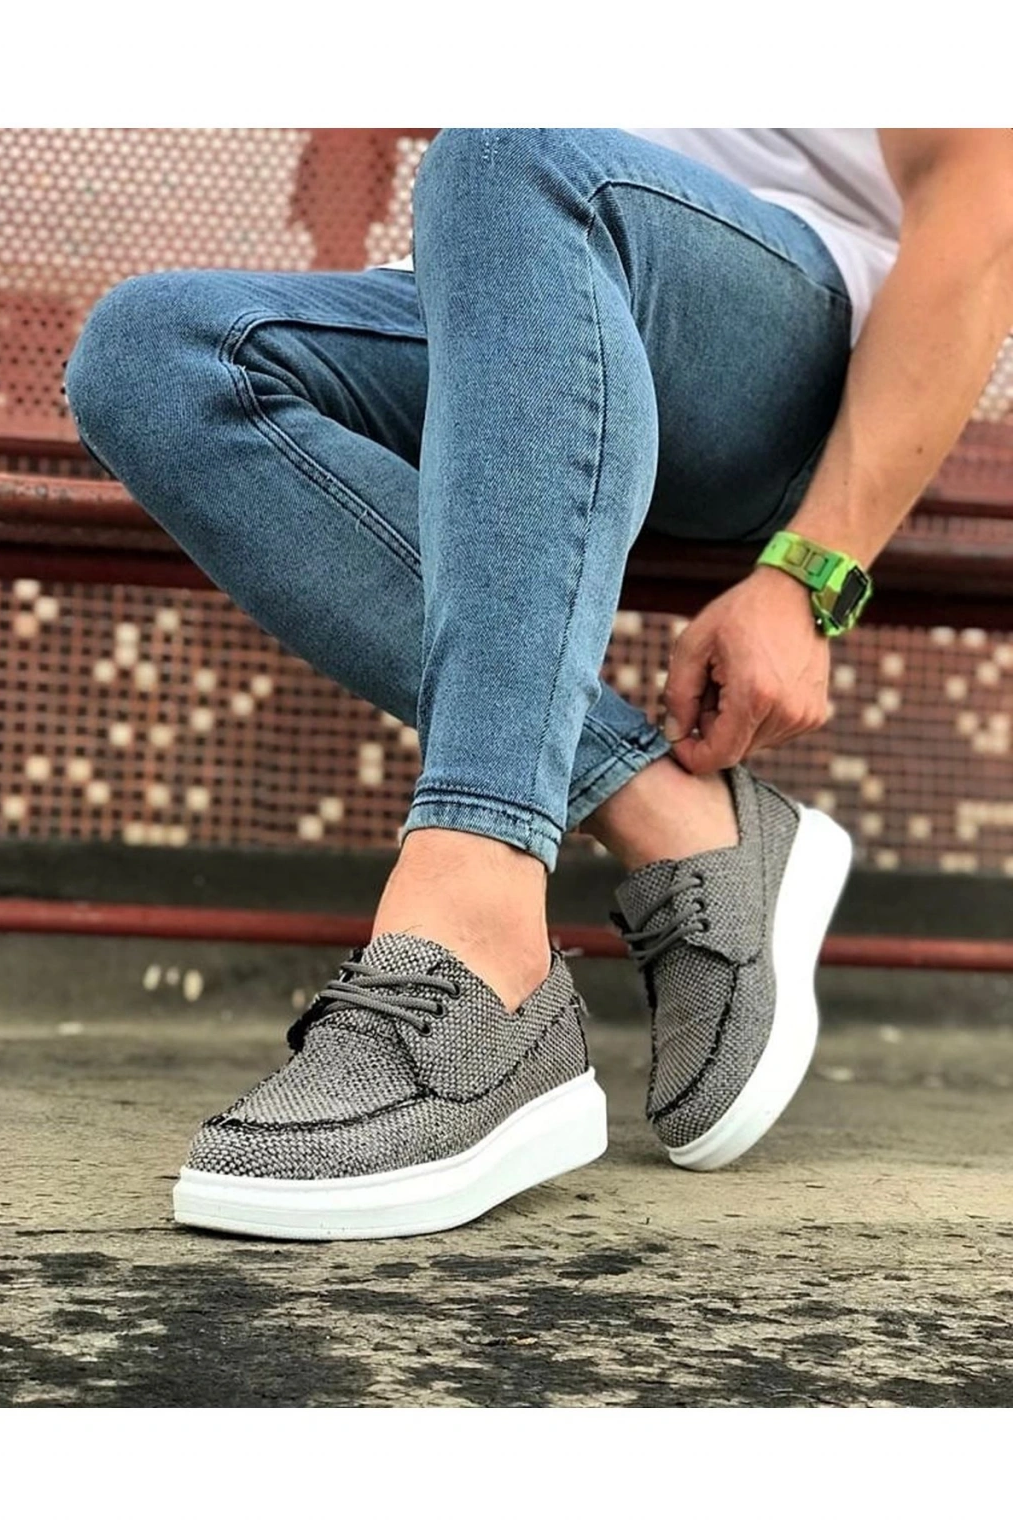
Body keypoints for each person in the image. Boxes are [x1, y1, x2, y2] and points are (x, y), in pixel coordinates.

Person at [64, 128, 1013, 1241]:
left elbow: (982, 203)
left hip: (774, 347)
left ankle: (479, 930)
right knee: (152, 355)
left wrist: (812, 572)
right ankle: (673, 816)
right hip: (518, 285)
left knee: (505, 149)